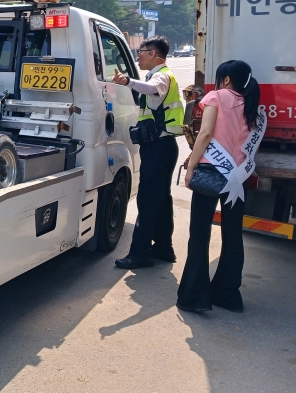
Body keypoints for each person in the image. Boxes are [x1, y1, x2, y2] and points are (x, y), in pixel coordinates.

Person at [178, 61, 263, 312]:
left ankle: (195, 296)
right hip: (238, 178)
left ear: (225, 79)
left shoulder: (216, 96)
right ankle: (227, 294)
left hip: (211, 175)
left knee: (200, 234)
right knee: (233, 235)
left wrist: (191, 166)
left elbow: (205, 135)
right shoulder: (252, 106)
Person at [111, 35, 184, 269]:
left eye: (141, 51)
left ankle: (139, 254)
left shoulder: (162, 76)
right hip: (161, 147)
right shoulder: (158, 75)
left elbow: (153, 89)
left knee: (148, 199)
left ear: (153, 54)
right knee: (161, 199)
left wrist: (127, 81)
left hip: (159, 147)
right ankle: (164, 248)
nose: (138, 56)